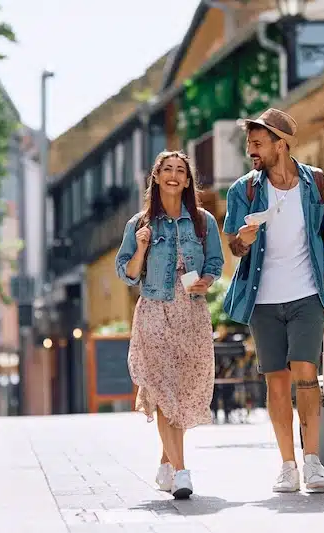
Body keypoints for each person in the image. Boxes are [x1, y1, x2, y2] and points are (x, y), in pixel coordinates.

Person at [222, 108, 324, 493]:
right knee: (277, 383)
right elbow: (234, 247)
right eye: (249, 144)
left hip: (306, 295)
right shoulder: (243, 191)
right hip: (262, 301)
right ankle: (287, 466)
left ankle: (313, 461)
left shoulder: (318, 185)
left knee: (307, 376)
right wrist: (243, 240)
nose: (251, 151)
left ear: (281, 145)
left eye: (258, 144)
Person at [115, 150, 224, 499]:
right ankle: (181, 471)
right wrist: (141, 248)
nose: (174, 176)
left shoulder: (203, 221)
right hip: (155, 309)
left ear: (188, 180)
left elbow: (216, 263)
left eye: (180, 171)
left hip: (191, 312)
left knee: (183, 388)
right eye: (167, 170)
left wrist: (206, 280)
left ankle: (166, 462)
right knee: (163, 389)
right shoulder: (139, 224)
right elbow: (128, 274)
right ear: (157, 177)